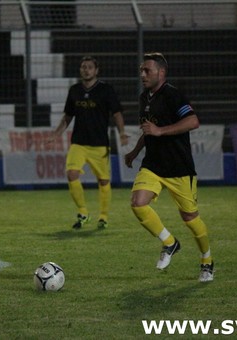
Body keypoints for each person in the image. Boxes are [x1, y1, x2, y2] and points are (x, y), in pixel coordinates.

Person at [124, 52, 214, 282]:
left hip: (179, 167)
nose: (142, 74)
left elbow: (193, 121)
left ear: (161, 73)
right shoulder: (145, 97)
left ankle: (207, 260)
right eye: (141, 70)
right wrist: (135, 151)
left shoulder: (173, 95)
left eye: (147, 71)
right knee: (137, 203)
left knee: (190, 218)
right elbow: (148, 128)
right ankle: (170, 242)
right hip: (153, 165)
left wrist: (161, 131)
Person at [50, 56, 128, 230]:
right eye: (83, 67)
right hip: (78, 143)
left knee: (103, 181)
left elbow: (117, 113)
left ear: (96, 70)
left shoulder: (106, 90)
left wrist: (122, 132)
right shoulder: (75, 90)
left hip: (99, 144)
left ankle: (104, 216)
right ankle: (83, 212)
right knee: (71, 174)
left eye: (89, 67)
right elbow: (68, 116)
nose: (86, 70)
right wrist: (57, 133)